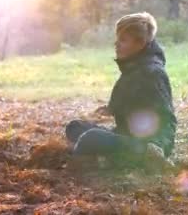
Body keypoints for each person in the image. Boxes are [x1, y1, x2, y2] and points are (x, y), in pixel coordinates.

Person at [65, 12, 177, 169]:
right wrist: (111, 108)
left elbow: (166, 118)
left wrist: (158, 146)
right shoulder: (133, 69)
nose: (116, 44)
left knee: (91, 138)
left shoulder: (152, 73)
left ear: (141, 43)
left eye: (123, 40)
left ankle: (138, 159)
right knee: (75, 127)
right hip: (127, 136)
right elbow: (133, 104)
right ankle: (108, 156)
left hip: (146, 145)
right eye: (118, 39)